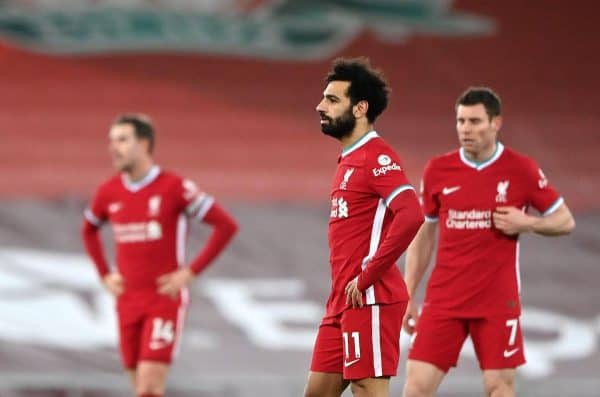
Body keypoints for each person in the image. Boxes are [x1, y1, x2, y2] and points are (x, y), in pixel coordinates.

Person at [401, 87, 576, 397]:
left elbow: (565, 220)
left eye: (475, 121)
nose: (465, 129)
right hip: (445, 299)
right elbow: (424, 234)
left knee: (499, 387)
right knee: (415, 387)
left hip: (496, 301)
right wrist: (407, 293)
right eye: (460, 121)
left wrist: (528, 223)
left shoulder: (521, 169)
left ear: (496, 123)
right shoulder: (438, 170)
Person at [81, 114, 238, 397]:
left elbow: (225, 225)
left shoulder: (174, 187)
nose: (113, 148)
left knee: (149, 387)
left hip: (162, 299)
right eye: (111, 141)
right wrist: (104, 274)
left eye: (122, 140)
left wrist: (190, 272)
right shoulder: (108, 191)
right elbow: (88, 230)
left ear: (144, 144)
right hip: (127, 300)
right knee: (139, 386)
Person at [304, 57, 424, 397]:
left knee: (368, 390)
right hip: (341, 300)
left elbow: (411, 214)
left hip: (370, 298)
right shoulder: (349, 159)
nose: (320, 106)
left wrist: (368, 273)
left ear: (360, 109)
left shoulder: (376, 157)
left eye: (331, 99)